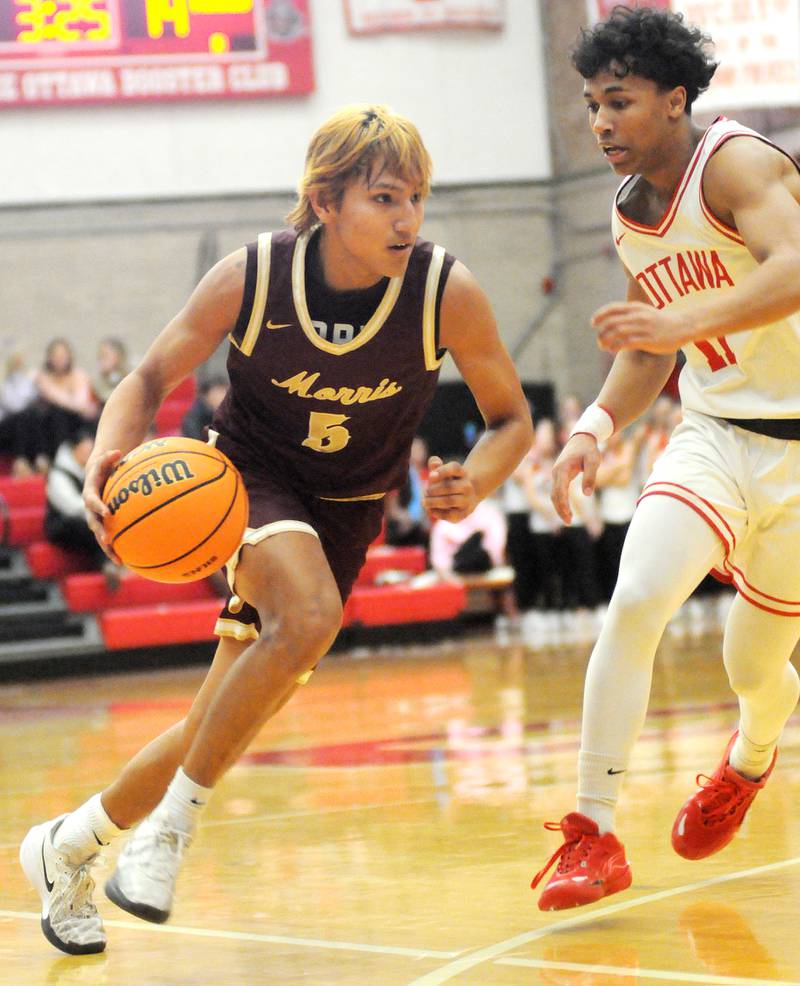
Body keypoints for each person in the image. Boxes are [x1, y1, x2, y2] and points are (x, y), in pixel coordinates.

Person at [19, 103, 533, 955]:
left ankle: (69, 846)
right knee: (310, 616)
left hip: (348, 512)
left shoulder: (447, 292)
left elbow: (510, 419)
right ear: (326, 202)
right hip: (245, 480)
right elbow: (147, 376)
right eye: (384, 199)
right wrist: (113, 452)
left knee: (212, 723)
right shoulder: (254, 275)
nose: (407, 218)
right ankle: (168, 837)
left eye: (416, 199)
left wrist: (474, 479)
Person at [531, 5, 800, 911]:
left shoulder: (739, 163)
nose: (599, 122)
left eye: (620, 102)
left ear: (676, 100)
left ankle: (750, 757)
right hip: (716, 435)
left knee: (754, 665)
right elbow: (649, 348)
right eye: (591, 105)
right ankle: (592, 833)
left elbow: (794, 265)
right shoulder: (629, 210)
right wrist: (589, 433)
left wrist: (680, 322)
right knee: (637, 595)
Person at [180, 375, 228, 441]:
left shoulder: (228, 413)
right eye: (217, 393)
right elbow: (193, 439)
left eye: (225, 393)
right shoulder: (194, 416)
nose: (222, 397)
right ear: (206, 395)